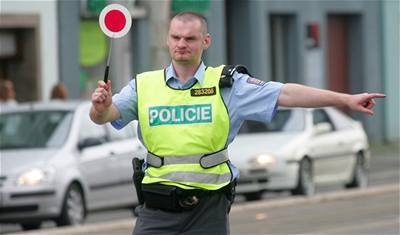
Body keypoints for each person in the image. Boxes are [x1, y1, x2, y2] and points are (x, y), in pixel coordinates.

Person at [90, 12, 385, 235]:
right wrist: (100, 107)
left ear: (205, 42)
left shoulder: (227, 85)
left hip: (208, 210)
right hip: (156, 208)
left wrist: (344, 100)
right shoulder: (144, 85)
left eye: (190, 38)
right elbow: (105, 116)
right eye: (176, 38)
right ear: (167, 39)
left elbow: (286, 93)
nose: (182, 44)